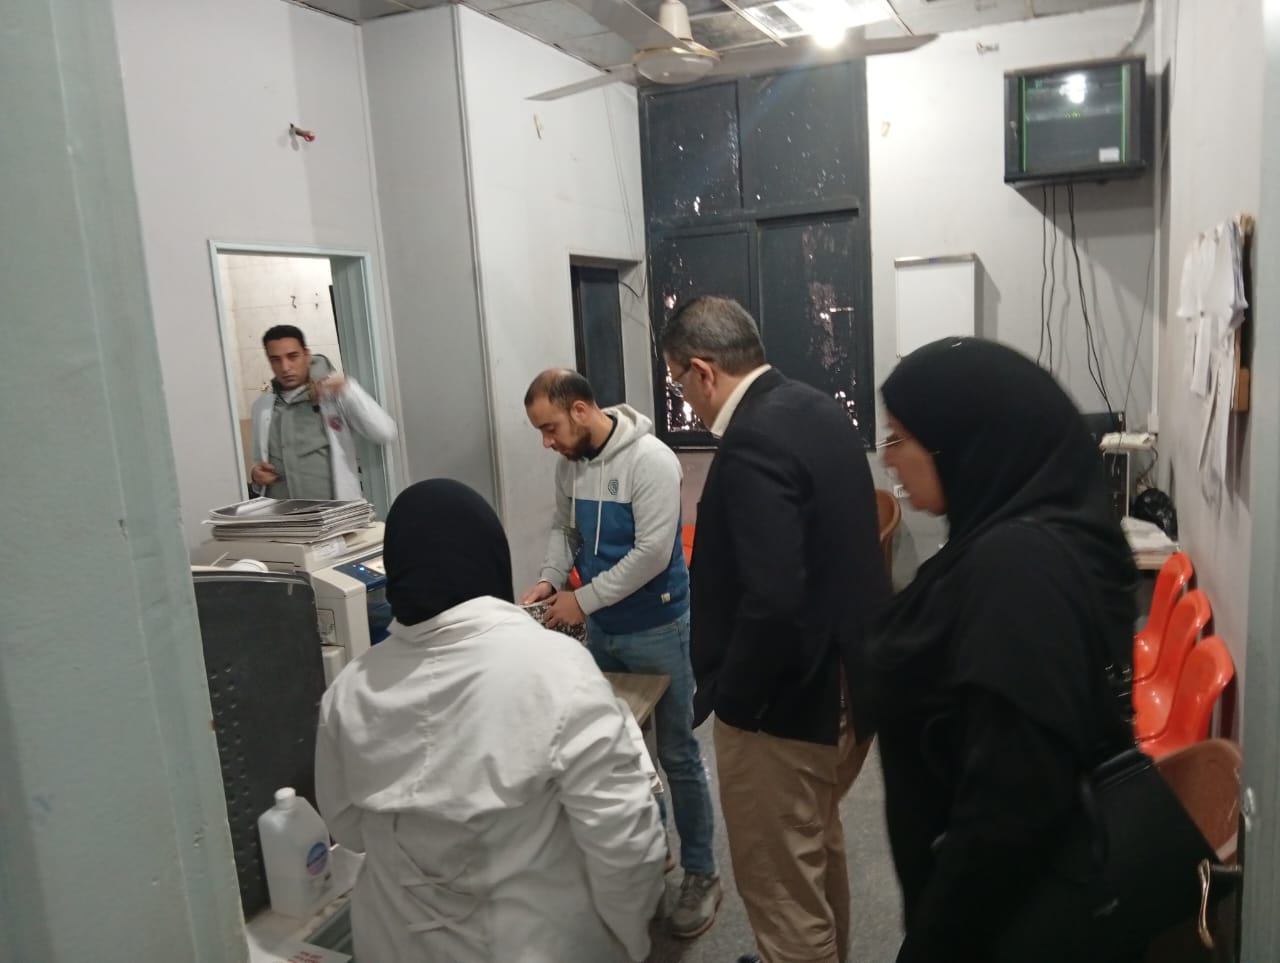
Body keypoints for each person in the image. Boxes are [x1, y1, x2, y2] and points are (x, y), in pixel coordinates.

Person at [314, 479, 666, 963]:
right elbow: (624, 842)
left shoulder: (348, 691)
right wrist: (628, 942)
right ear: (491, 559)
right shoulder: (556, 669)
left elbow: (349, 830)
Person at [868, 337, 1139, 962]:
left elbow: (1010, 809)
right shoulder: (1011, 542)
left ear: (965, 444)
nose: (888, 460)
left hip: (1003, 928)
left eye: (900, 438)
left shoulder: (1018, 569)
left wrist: (931, 947)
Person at [659, 297, 890, 963]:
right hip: (846, 682)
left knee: (782, 893)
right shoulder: (817, 407)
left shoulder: (754, 436)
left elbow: (774, 596)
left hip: (786, 708)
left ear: (703, 371)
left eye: (678, 383)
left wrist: (735, 699)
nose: (683, 399)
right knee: (814, 849)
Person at [520, 369, 721, 939]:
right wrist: (549, 578)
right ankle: (651, 853)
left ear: (581, 410)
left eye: (550, 428)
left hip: (658, 626)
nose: (547, 442)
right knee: (622, 751)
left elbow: (653, 554)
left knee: (677, 754)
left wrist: (579, 600)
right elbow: (564, 530)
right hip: (602, 628)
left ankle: (702, 873)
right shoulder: (571, 463)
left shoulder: (651, 460)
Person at [249, 324, 396, 500]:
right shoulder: (262, 407)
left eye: (293, 356)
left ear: (306, 355)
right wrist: (256, 476)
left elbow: (385, 433)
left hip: (334, 511)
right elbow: (260, 462)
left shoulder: (334, 397)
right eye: (275, 360)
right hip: (282, 513)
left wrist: (349, 389)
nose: (285, 367)